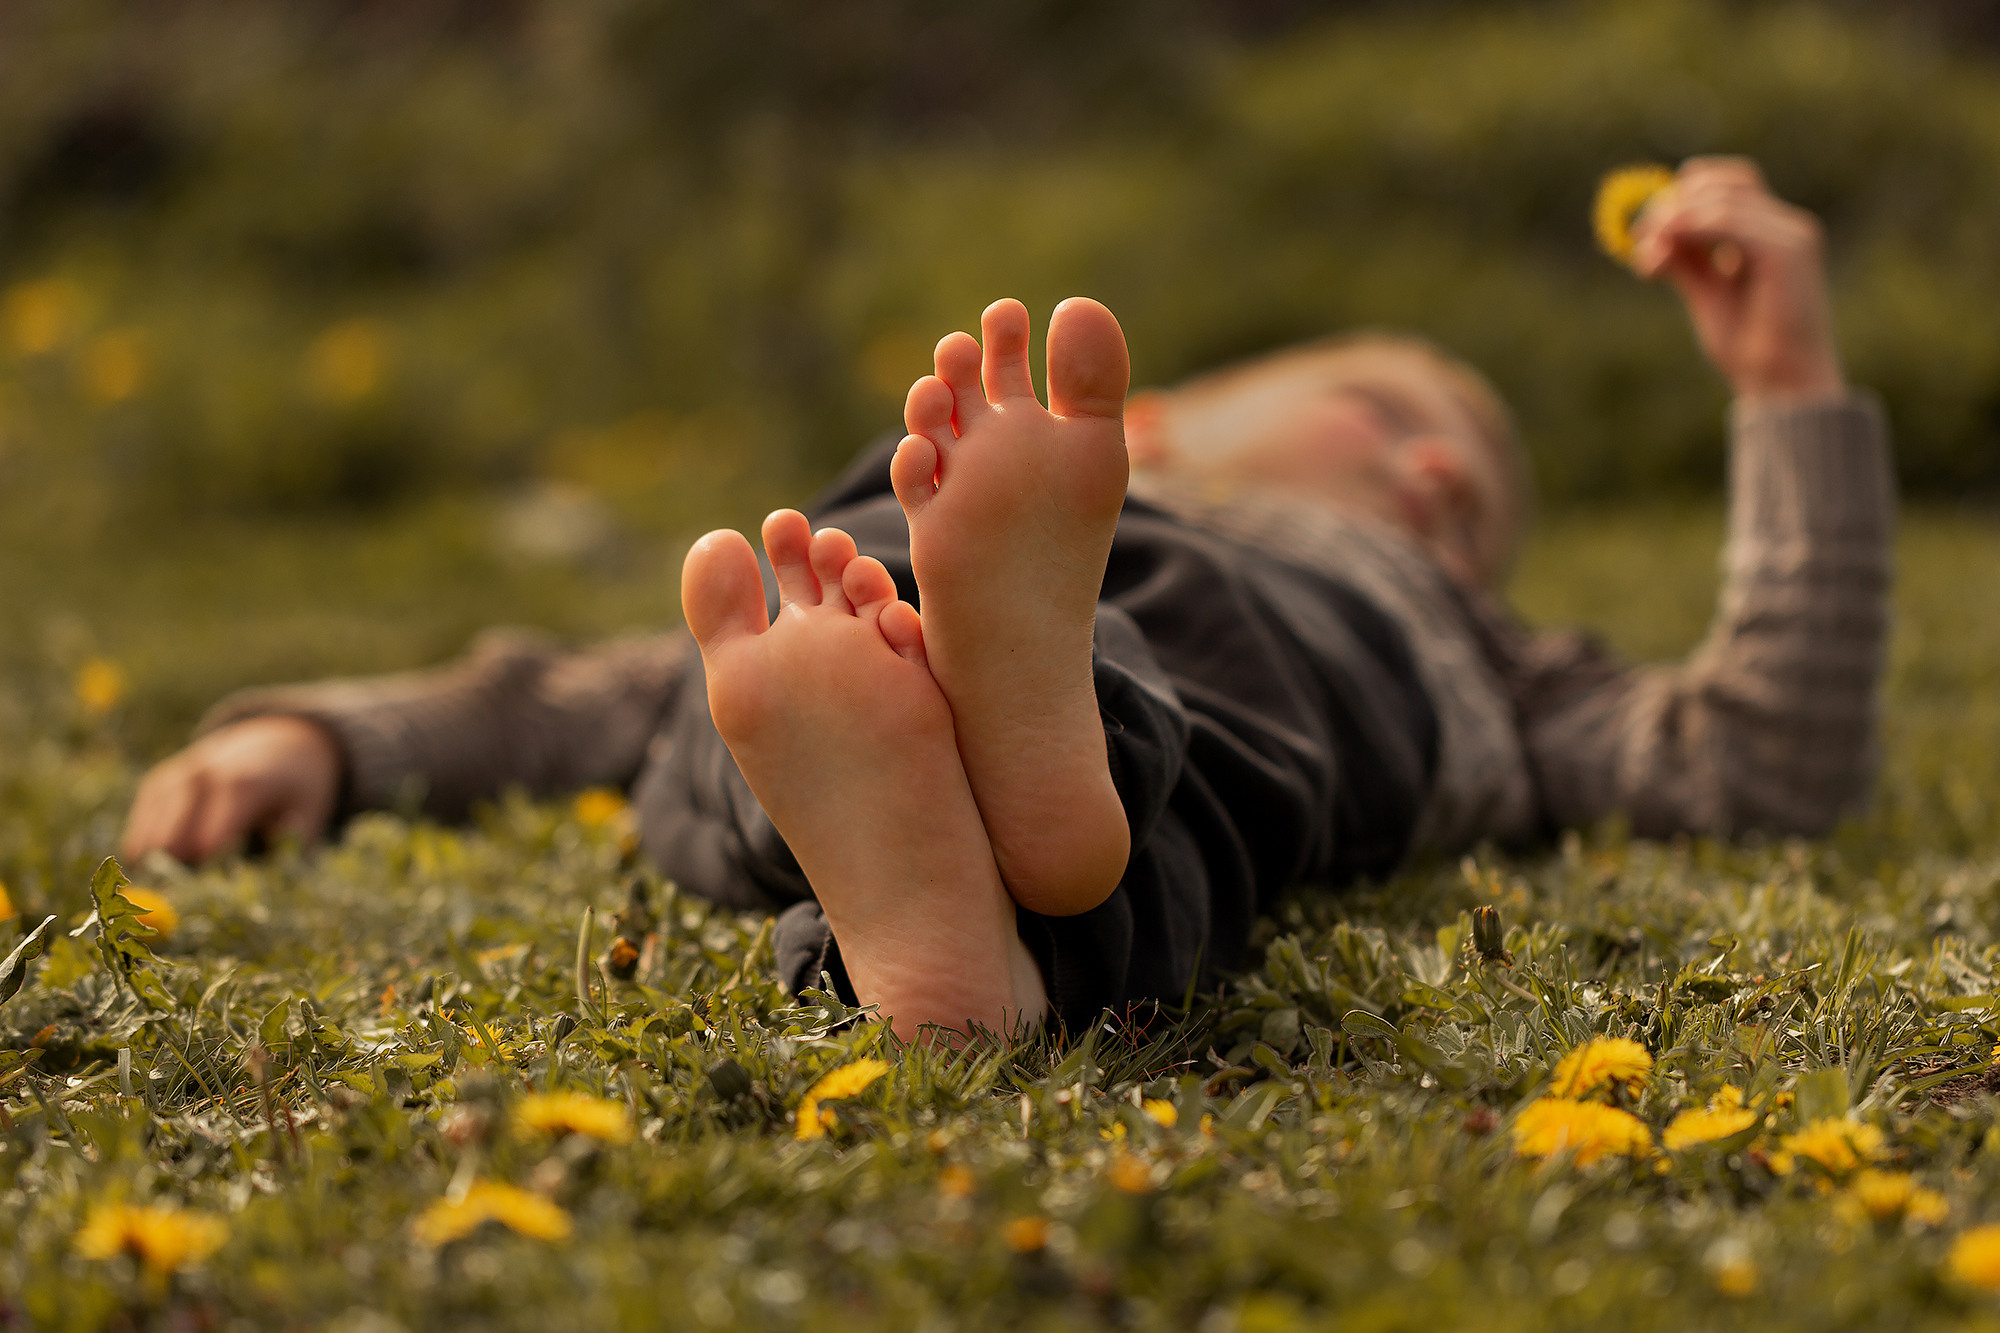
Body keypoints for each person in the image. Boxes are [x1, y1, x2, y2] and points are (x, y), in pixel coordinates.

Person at [119, 158, 1891, 1041]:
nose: (1433, 475)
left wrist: (1787, 375)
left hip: (1200, 646)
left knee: (842, 656)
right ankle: (1002, 839)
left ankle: (972, 820)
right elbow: (551, 691)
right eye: (1395, 415)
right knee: (829, 637)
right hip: (1055, 634)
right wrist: (331, 732)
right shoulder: (1391, 624)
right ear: (1178, 433)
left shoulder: (1484, 643)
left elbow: (1749, 760)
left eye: (1454, 484)